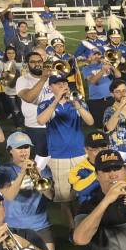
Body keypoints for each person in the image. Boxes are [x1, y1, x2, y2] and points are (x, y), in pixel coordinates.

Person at [35, 73, 95, 227]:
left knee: (84, 192)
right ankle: (72, 229)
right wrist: (56, 100)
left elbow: (90, 121)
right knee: (64, 198)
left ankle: (85, 224)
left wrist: (78, 105)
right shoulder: (45, 104)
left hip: (80, 154)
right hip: (58, 156)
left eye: (64, 83)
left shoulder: (77, 102)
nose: (63, 86)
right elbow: (41, 120)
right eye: (58, 84)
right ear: (51, 88)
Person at [14, 49, 52, 159]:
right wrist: (43, 79)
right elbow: (29, 98)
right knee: (39, 159)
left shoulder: (52, 77)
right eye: (33, 62)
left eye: (39, 61)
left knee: (55, 157)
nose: (37, 64)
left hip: (54, 124)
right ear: (27, 65)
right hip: (36, 127)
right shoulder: (22, 80)